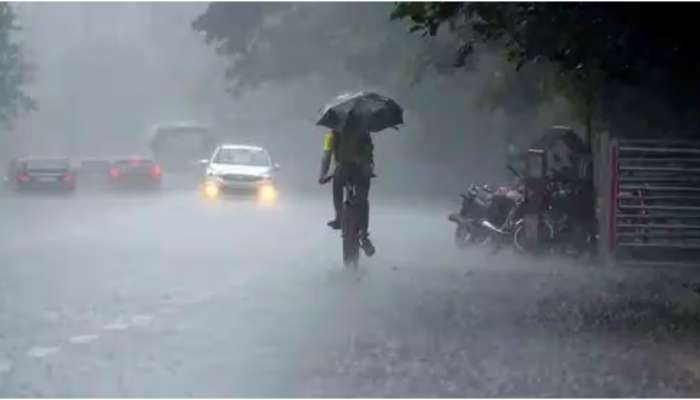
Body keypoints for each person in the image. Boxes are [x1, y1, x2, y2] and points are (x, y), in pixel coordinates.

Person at [318, 127, 375, 256]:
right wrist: (369, 168)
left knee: (337, 187)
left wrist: (322, 175)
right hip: (361, 172)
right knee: (363, 197)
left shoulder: (332, 134)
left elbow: (326, 156)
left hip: (342, 171)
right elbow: (369, 155)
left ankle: (339, 217)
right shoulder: (364, 132)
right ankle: (364, 234)